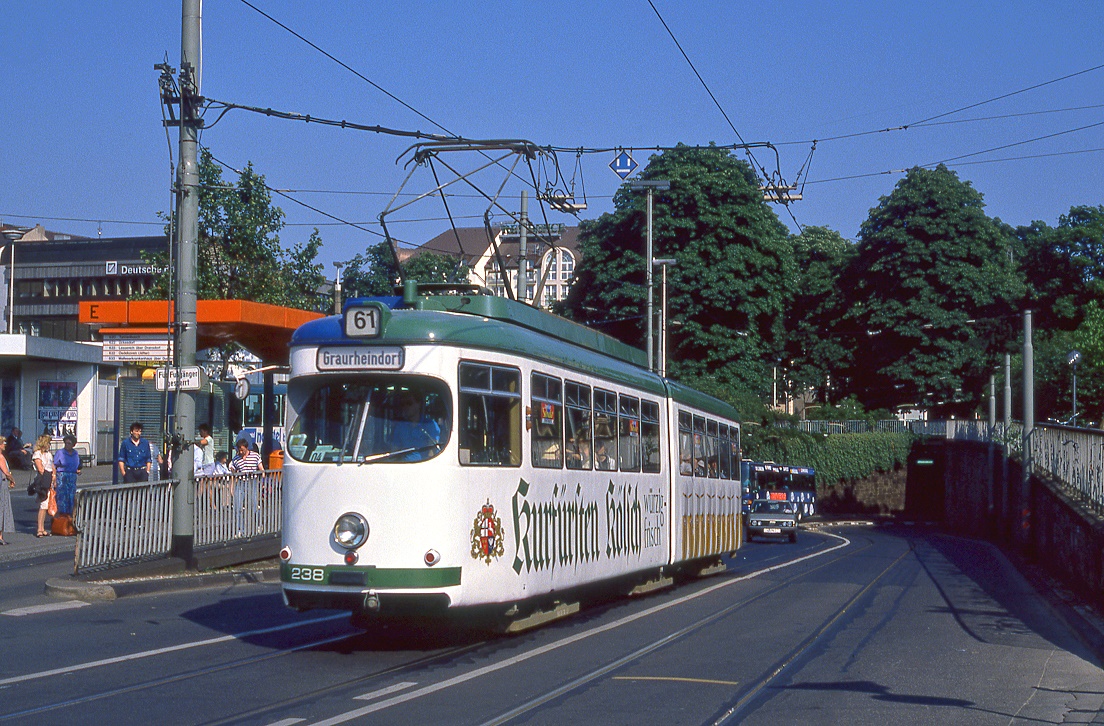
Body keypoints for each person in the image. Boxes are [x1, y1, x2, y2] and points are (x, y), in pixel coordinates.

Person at [389, 391, 441, 460]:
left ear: (418, 404)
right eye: (403, 404)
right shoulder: (400, 426)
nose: (405, 407)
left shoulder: (430, 425)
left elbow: (432, 452)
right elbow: (394, 452)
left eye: (409, 403)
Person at [32, 434, 55, 537]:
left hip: (49, 479)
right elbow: (40, 469)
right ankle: (39, 529)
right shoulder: (37, 454)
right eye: (48, 443)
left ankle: (43, 528)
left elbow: (52, 465)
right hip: (43, 481)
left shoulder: (49, 454)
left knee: (46, 505)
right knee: (43, 505)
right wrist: (49, 476)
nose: (49, 445)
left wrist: (54, 475)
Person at [53, 434, 82, 517]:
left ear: (73, 444)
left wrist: (77, 470)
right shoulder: (60, 452)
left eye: (69, 443)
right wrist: (54, 478)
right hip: (62, 477)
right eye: (66, 443)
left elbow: (75, 464)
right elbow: (54, 466)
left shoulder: (75, 453)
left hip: (72, 477)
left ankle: (70, 518)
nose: (67, 445)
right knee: (62, 498)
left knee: (71, 498)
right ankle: (62, 518)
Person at [0, 436, 14, 545]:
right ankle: (0, 536)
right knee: (2, 508)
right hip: (2, 484)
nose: (5, 445)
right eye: (3, 443)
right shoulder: (0, 457)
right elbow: (5, 471)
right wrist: (12, 480)